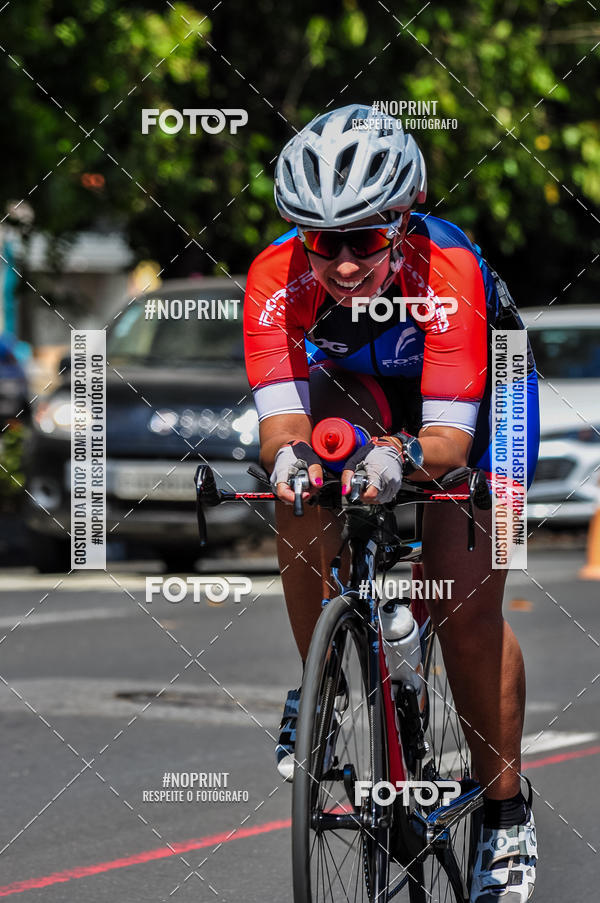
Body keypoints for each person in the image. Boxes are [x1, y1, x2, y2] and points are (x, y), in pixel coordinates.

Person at [243, 103, 539, 902]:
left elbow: (444, 442)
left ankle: (506, 812)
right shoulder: (273, 276)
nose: (341, 262)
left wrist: (397, 457)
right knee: (302, 481)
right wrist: (294, 463)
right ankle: (322, 680)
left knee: (466, 606)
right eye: (321, 239)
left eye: (365, 237)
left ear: (403, 221)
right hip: (362, 387)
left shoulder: (450, 269)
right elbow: (283, 426)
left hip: (483, 398)